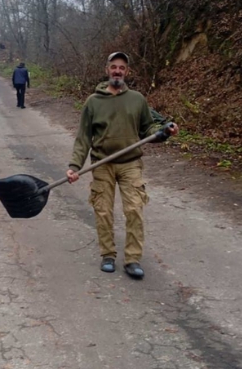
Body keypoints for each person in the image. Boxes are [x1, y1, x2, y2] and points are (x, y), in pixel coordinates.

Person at [66, 52, 178, 280]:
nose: (117, 71)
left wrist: (164, 133)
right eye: (113, 67)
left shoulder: (137, 99)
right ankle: (108, 255)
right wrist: (74, 165)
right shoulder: (93, 102)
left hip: (130, 164)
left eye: (122, 68)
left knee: (134, 209)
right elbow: (83, 138)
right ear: (107, 70)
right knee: (103, 211)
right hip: (102, 164)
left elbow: (148, 129)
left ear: (127, 72)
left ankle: (132, 259)